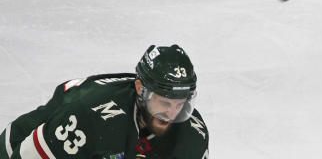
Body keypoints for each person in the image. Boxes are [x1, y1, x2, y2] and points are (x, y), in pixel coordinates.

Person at [0, 44, 209, 159]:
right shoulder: (89, 116)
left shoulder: (192, 137)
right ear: (140, 89)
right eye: (164, 103)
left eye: (180, 104)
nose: (172, 115)